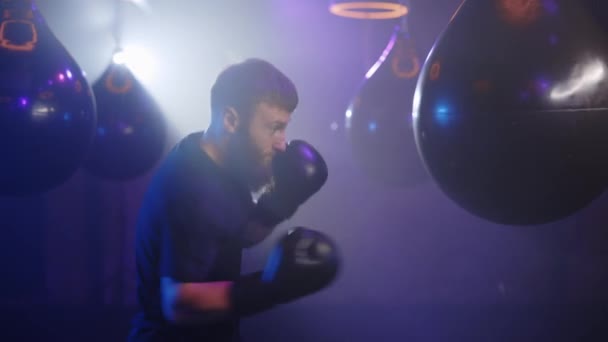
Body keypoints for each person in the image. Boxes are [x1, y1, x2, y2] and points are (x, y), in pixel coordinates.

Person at [128, 58, 340, 341]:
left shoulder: (218, 159)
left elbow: (237, 235)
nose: (282, 142)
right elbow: (177, 304)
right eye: (274, 127)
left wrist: (283, 201)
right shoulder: (190, 185)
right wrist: (272, 287)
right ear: (231, 120)